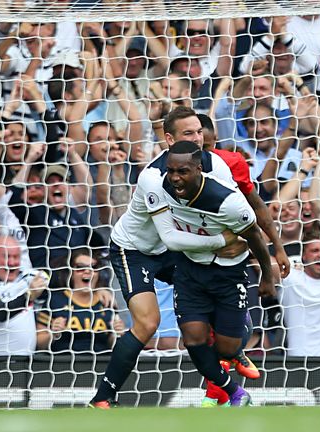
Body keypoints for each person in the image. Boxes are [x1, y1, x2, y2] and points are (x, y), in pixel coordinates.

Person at [89, 107, 263, 408]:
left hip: (174, 249)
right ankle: (103, 399)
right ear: (169, 139)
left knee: (215, 292)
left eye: (199, 131)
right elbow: (170, 237)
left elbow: (235, 210)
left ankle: (231, 362)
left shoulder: (216, 165)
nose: (197, 139)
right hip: (136, 250)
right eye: (188, 134)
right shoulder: (154, 178)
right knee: (148, 323)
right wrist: (220, 241)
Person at [162, 141, 276, 406]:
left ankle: (238, 332)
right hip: (191, 270)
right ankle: (232, 391)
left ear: (199, 168)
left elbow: (255, 238)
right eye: (171, 171)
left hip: (228, 272)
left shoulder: (228, 201)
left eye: (182, 171)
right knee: (193, 338)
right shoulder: (162, 186)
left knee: (226, 347)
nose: (175, 178)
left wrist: (267, 277)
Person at [0, 235, 46, 356]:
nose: (11, 263)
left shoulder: (30, 277)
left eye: (16, 257)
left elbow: (52, 280)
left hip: (26, 362)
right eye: (6, 257)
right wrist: (29, 297)